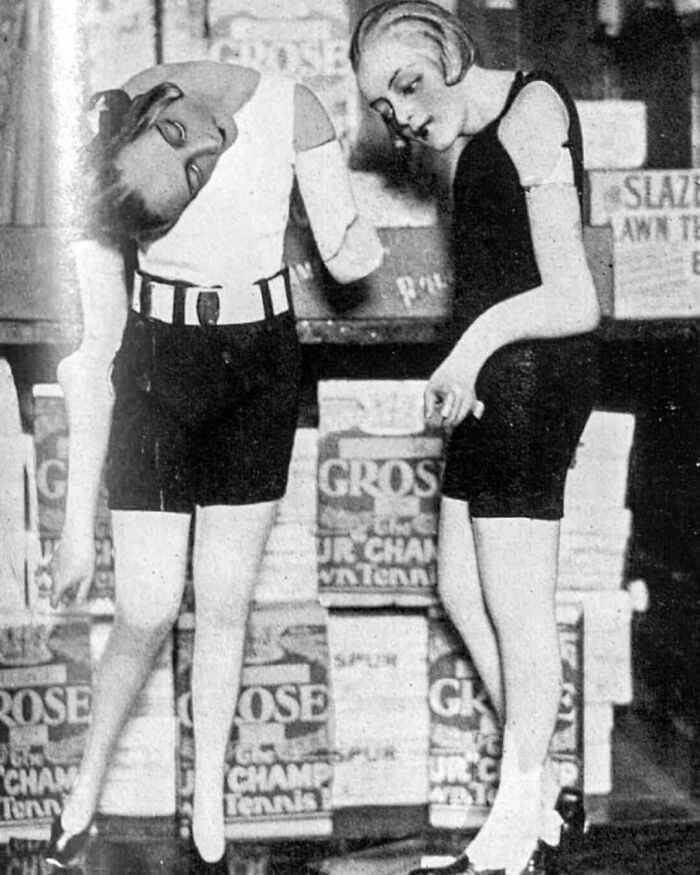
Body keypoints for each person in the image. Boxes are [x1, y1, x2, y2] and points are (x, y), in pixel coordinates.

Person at [46, 60, 383, 873]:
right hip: (159, 359)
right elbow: (94, 351)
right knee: (147, 605)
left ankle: (209, 801)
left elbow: (347, 253)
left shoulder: (293, 107)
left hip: (260, 363)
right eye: (187, 166)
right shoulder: (121, 110)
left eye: (198, 159)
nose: (204, 159)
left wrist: (351, 236)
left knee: (226, 602)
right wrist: (72, 532)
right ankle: (84, 784)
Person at [350, 3, 599, 874]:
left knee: (521, 618)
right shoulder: (476, 138)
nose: (405, 117)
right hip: (495, 383)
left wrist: (465, 353)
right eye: (386, 109)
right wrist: (471, 362)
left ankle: (511, 836)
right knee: (462, 586)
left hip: (530, 384)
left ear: (447, 52)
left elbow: (575, 298)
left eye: (408, 87)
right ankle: (546, 787)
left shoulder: (533, 112)